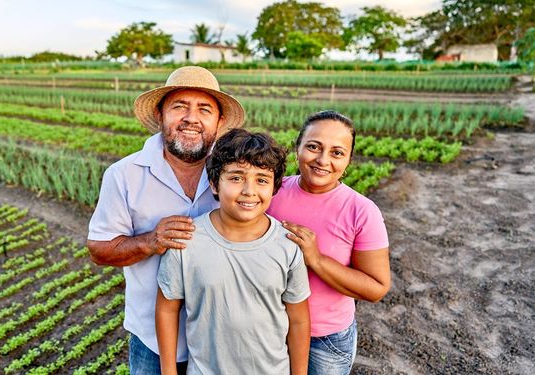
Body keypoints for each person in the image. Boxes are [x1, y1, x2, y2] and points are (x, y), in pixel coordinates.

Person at [86, 66, 246, 374]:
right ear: (161, 115)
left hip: (221, 338)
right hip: (152, 341)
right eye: (179, 107)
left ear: (219, 121)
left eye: (204, 109)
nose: (191, 118)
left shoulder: (236, 174)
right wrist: (151, 241)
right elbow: (99, 250)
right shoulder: (124, 175)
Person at [155, 129, 311, 375]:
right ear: (215, 184)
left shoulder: (287, 245)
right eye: (237, 178)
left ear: (274, 188)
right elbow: (167, 309)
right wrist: (168, 371)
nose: (249, 190)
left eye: (261, 180)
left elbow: (299, 320)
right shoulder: (187, 240)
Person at [266, 110, 391, 375]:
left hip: (324, 342)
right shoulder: (270, 194)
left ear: (348, 160)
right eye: (313, 146)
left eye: (337, 153)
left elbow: (376, 288)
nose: (323, 160)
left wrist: (316, 259)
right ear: (297, 147)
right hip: (268, 331)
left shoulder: (361, 211)